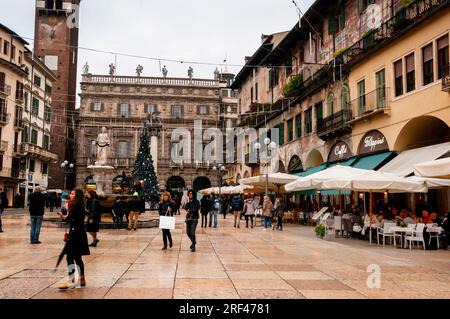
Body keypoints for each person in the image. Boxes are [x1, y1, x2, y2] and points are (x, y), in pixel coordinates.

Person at [58, 189, 90, 289]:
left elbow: (70, 219)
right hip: (80, 233)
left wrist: (64, 217)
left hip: (75, 234)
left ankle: (70, 280)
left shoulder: (75, 205)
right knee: (77, 258)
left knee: (70, 257)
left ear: (77, 195)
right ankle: (82, 279)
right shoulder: (80, 205)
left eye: (72, 194)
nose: (70, 195)